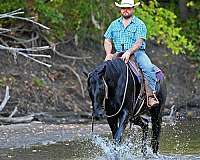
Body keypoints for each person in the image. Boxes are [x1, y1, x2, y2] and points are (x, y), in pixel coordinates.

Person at [104, 0, 159, 107]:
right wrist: (108, 53)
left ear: (133, 9)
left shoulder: (139, 24)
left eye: (128, 8)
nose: (125, 10)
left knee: (148, 67)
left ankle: (150, 95)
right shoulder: (114, 24)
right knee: (103, 71)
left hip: (137, 53)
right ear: (120, 9)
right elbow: (107, 40)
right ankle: (103, 98)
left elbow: (139, 42)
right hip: (118, 53)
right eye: (123, 8)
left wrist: (129, 52)